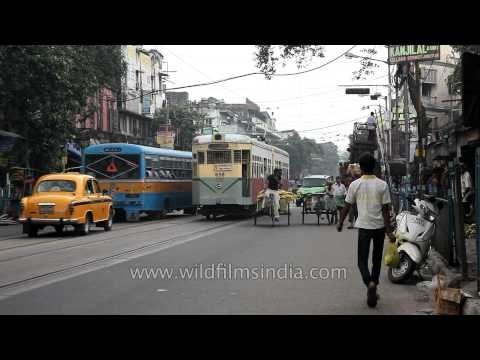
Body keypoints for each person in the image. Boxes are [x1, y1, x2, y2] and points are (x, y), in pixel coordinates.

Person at [337, 153, 395, 308]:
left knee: (362, 261)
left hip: (364, 227)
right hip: (379, 227)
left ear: (360, 168)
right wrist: (389, 232)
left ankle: (369, 282)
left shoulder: (355, 185)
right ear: (374, 166)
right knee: (376, 260)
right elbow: (385, 210)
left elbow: (347, 205)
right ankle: (374, 285)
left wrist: (340, 222)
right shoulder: (382, 184)